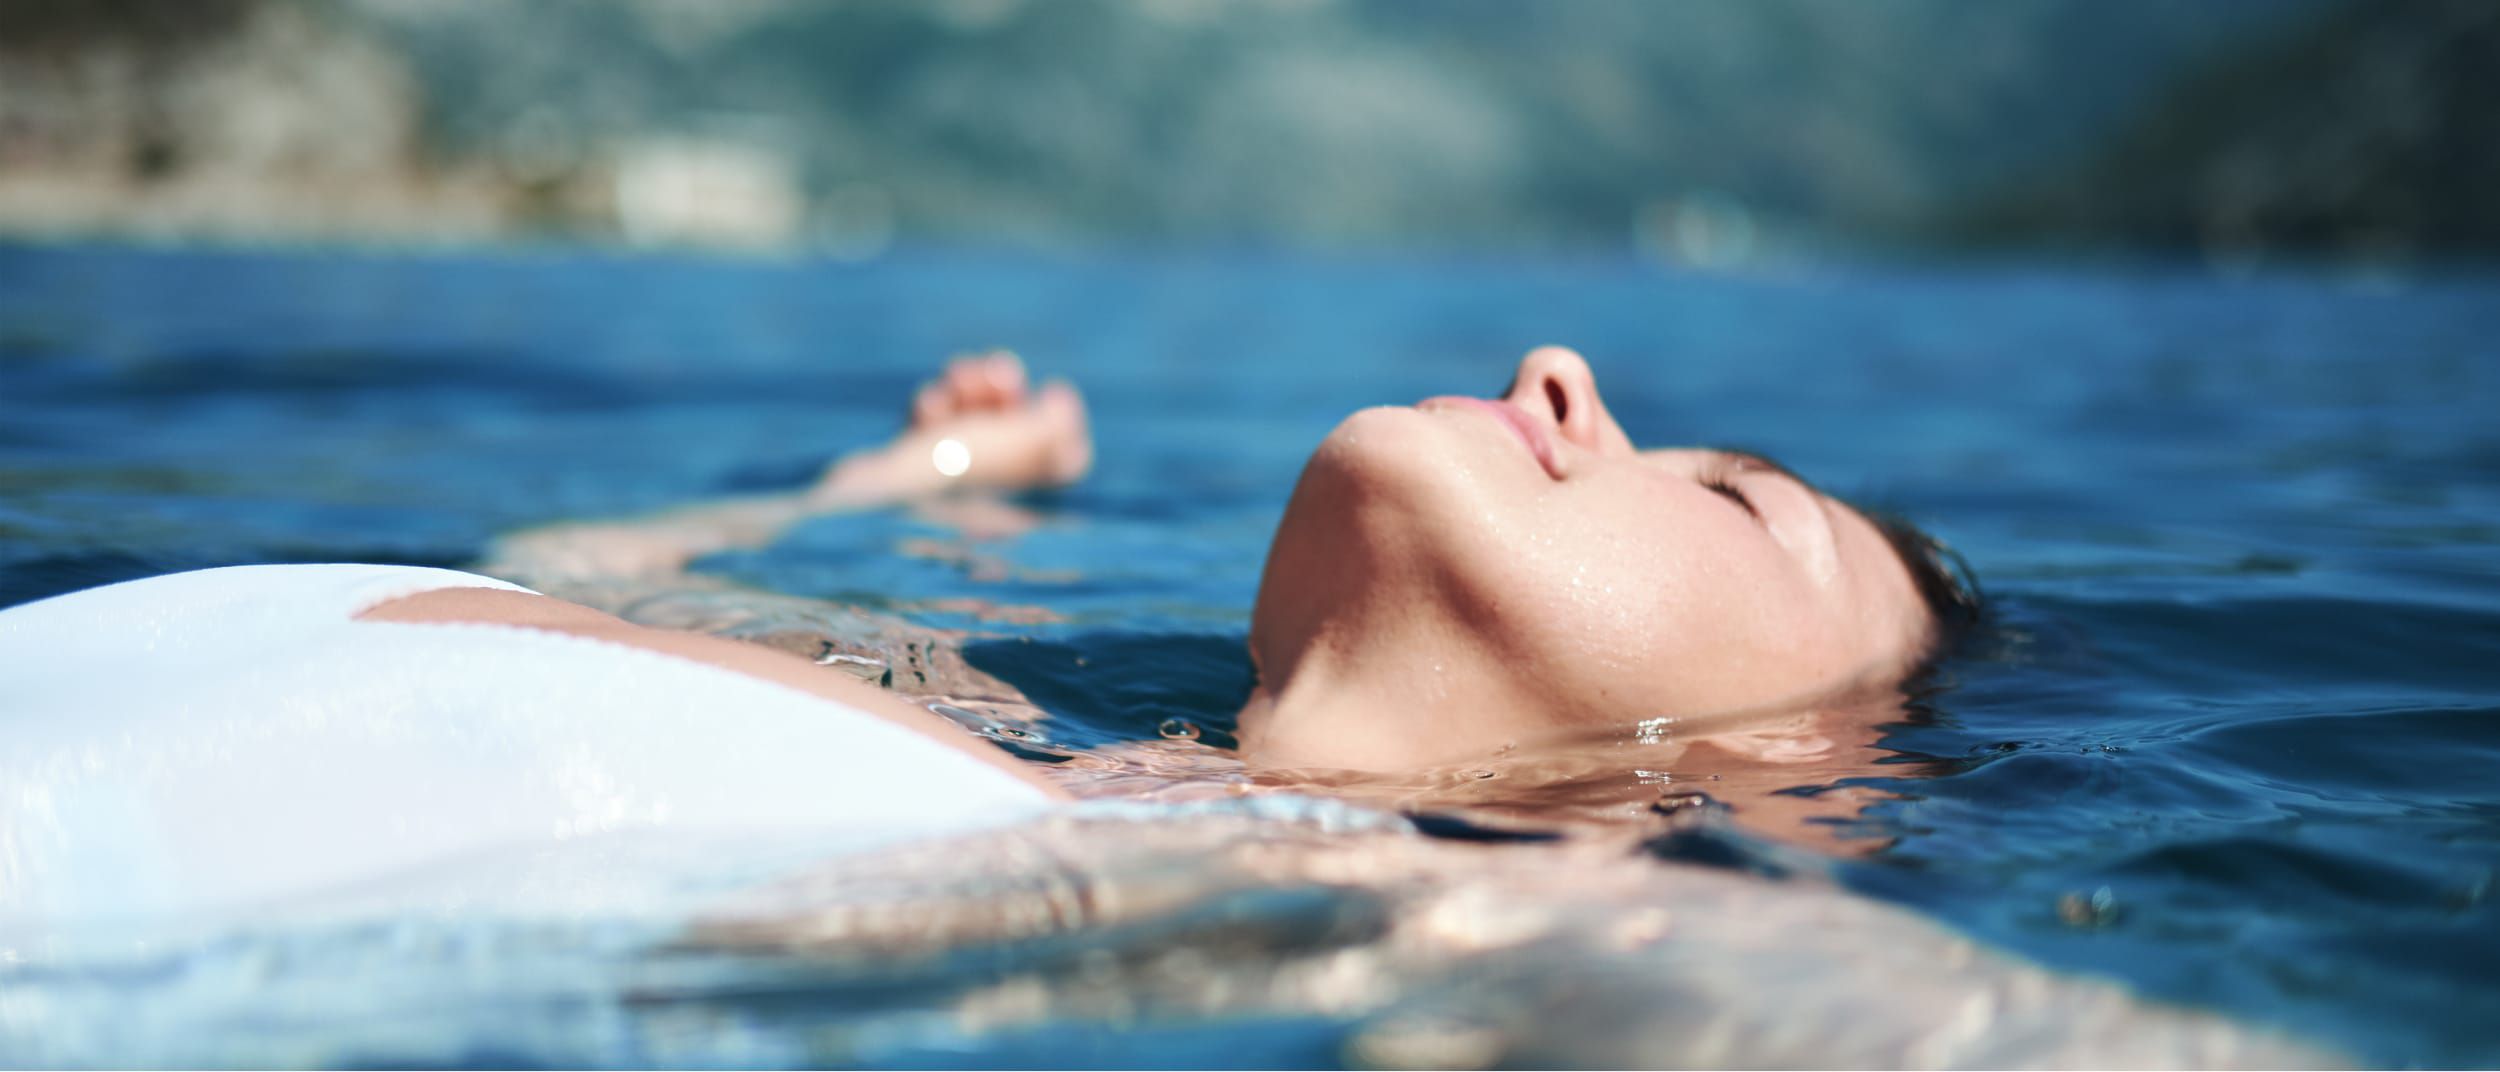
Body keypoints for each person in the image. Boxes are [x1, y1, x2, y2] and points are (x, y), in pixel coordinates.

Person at [0, 346, 1973, 924]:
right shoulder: (966, 712)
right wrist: (908, 483)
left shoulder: (1541, 933)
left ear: (1805, 779)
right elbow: (554, 560)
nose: (1562, 369)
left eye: (1732, 502)